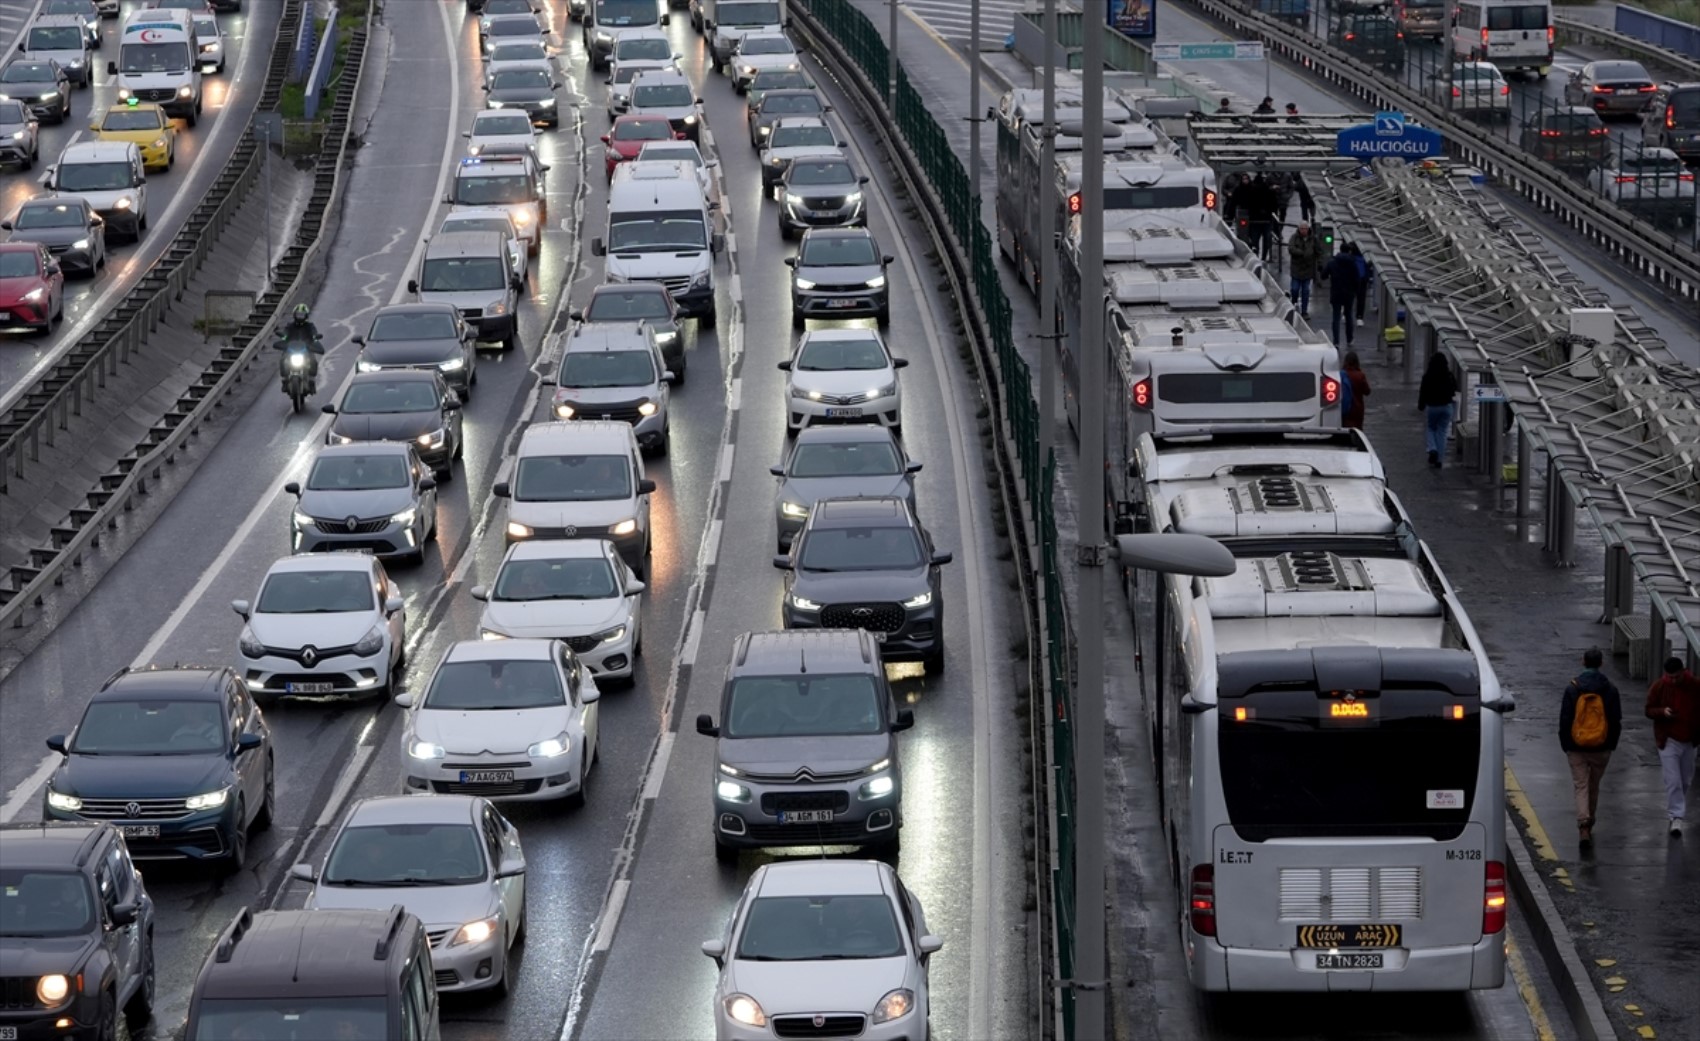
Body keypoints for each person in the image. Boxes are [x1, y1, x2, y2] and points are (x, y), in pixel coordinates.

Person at [1558, 648, 1623, 848]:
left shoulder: (1573, 688)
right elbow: (1615, 720)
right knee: (1594, 785)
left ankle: (1583, 824)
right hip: (1601, 747)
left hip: (1576, 746)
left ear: (1583, 661)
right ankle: (1590, 820)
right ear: (1601, 663)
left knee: (1581, 785)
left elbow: (1566, 719)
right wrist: (1611, 744)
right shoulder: (1610, 689)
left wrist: (1566, 744)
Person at [1645, 656, 1699, 837]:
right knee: (1673, 780)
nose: (1673, 681)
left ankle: (1677, 811)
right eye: (1671, 677)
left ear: (1683, 672)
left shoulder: (1695, 686)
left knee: (1684, 780)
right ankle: (1676, 816)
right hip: (1668, 739)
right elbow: (1648, 710)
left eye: (1676, 677)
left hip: (1690, 740)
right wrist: (1662, 712)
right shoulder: (1660, 686)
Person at [1416, 352, 1458, 468]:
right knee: (1442, 432)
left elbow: (1423, 392)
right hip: (1447, 406)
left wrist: (1421, 405)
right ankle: (1439, 459)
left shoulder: (1427, 376)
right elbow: (1455, 388)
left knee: (1430, 428)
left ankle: (1432, 448)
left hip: (1433, 406)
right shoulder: (1449, 375)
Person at [275, 303, 325, 393]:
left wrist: (315, 336)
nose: (300, 317)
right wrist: (283, 335)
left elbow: (314, 333)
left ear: (306, 316)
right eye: (298, 314)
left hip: (306, 350)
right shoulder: (290, 326)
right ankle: (285, 380)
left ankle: (311, 381)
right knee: (283, 360)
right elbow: (285, 333)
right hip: (291, 350)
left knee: (313, 361)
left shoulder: (310, 326)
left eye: (302, 315)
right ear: (294, 315)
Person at [1320, 242, 1362, 349]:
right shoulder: (1353, 263)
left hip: (1336, 292)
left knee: (1336, 317)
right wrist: (1356, 291)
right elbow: (1357, 279)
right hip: (1349, 293)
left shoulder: (1332, 262)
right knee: (1348, 316)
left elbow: (1323, 276)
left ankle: (1336, 341)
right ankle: (1349, 339)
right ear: (1349, 251)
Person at [1286, 221, 1325, 319]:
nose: (1304, 230)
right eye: (1302, 228)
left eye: (1305, 228)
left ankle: (1304, 311)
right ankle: (1293, 303)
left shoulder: (1313, 239)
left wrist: (1320, 262)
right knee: (1294, 289)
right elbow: (1291, 248)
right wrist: (1302, 253)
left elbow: (1319, 251)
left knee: (1306, 291)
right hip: (1296, 268)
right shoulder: (1294, 238)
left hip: (1308, 269)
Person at [1341, 350, 1370, 429]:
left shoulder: (1341, 374)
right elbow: (1367, 391)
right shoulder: (1360, 375)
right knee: (1357, 430)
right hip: (1357, 408)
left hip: (1345, 408)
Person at [1348, 243, 1374, 327]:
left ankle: (1347, 314)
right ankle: (1359, 317)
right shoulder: (1366, 256)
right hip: (1363, 278)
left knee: (1350, 298)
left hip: (1353, 279)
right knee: (1361, 299)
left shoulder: (1351, 257)